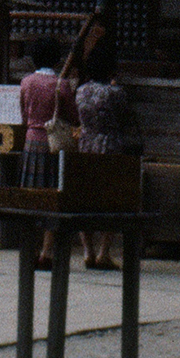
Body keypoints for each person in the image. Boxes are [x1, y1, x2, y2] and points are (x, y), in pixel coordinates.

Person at [73, 48, 140, 270]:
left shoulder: (80, 91)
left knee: (85, 197)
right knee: (111, 197)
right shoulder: (116, 93)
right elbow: (125, 117)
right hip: (110, 145)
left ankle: (87, 250)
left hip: (85, 143)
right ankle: (104, 252)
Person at [17, 35, 78, 268]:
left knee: (31, 196)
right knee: (53, 196)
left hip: (31, 141)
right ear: (56, 58)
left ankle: (29, 249)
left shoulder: (26, 82)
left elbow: (24, 115)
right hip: (54, 144)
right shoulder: (61, 85)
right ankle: (46, 252)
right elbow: (73, 116)